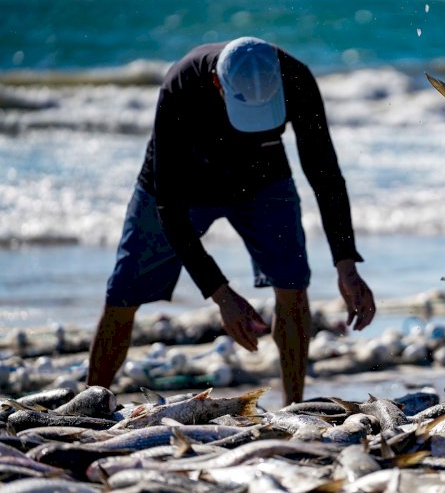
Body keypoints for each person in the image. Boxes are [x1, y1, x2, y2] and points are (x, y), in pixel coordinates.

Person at [86, 37, 376, 405]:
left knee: (292, 284)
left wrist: (346, 263)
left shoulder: (296, 78)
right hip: (182, 185)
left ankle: (293, 407)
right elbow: (170, 210)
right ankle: (90, 406)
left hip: (263, 180)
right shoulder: (181, 84)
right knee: (123, 293)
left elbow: (325, 173)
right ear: (218, 84)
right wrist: (221, 295)